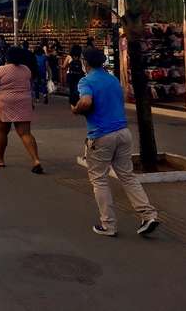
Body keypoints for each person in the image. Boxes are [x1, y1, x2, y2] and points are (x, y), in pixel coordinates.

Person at [72, 48, 158, 237]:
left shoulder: (86, 81)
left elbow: (86, 102)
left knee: (99, 179)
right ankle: (148, 214)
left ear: (85, 62)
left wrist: (76, 109)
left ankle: (108, 224)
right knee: (127, 176)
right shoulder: (112, 79)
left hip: (101, 134)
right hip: (123, 132)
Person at [0, 46, 43, 173]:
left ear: (6, 56)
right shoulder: (26, 70)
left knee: (2, 132)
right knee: (25, 133)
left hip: (4, 102)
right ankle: (36, 160)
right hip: (23, 102)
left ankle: (0, 160)